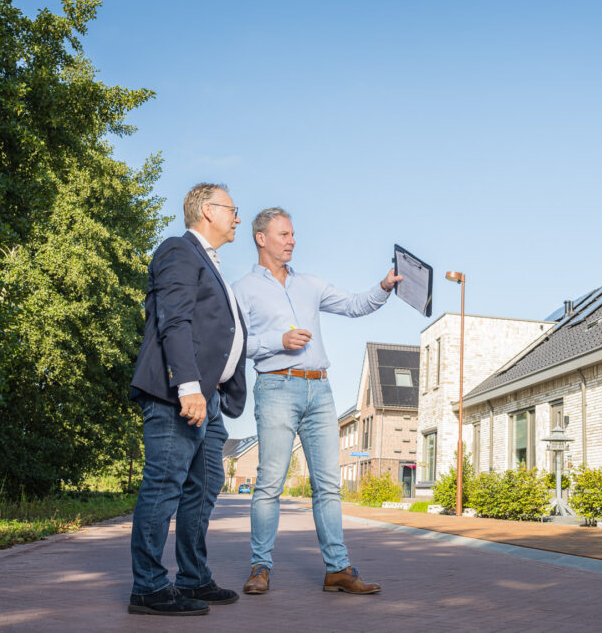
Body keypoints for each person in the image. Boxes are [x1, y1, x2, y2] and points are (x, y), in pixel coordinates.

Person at [232, 207, 401, 595]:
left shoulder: (310, 284)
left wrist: (384, 286)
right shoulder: (243, 290)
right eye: (284, 234)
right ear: (261, 238)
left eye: (293, 234)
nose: (292, 241)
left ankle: (338, 569)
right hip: (275, 387)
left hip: (320, 391)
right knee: (269, 483)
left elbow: (355, 305)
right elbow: (235, 343)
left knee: (328, 485)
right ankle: (260, 567)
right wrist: (278, 341)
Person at [127, 183, 248, 616]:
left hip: (208, 398)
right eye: (232, 209)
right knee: (164, 484)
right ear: (208, 211)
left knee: (205, 485)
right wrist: (189, 386)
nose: (237, 218)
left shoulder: (210, 262)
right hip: (178, 395)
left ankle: (193, 577)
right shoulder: (179, 250)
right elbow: (173, 321)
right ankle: (148, 587)